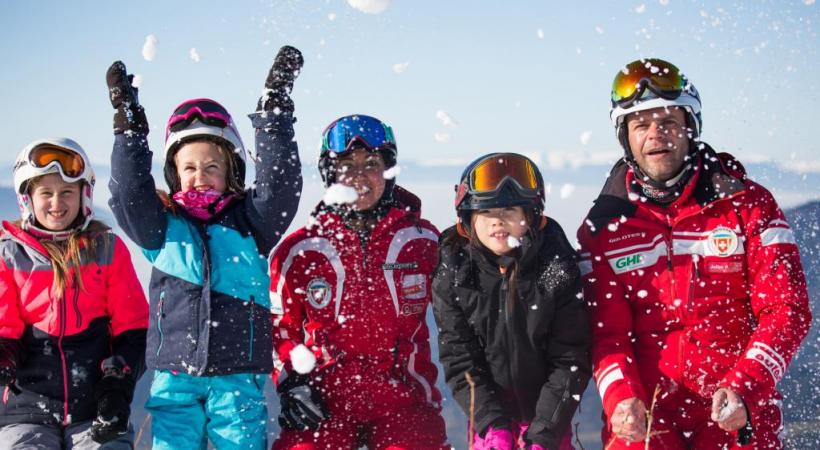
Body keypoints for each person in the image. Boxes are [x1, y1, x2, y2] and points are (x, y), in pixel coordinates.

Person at [577, 58, 812, 449]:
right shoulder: (604, 228)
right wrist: (621, 397)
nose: (656, 134)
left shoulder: (747, 205)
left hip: (736, 406)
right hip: (647, 413)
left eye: (668, 122)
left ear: (690, 128)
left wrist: (747, 385)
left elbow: (787, 310)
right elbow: (607, 334)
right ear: (625, 137)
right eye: (641, 125)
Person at [105, 46, 304, 450]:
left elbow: (280, 186)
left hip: (238, 376)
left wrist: (274, 113)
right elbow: (129, 195)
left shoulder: (251, 223)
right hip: (174, 378)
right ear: (174, 173)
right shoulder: (162, 227)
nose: (201, 176)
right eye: (189, 167)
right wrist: (129, 131)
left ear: (232, 172)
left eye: (212, 166)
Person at [268, 114, 449, 450]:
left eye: (372, 164)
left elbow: (465, 303)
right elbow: (278, 327)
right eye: (347, 165)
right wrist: (291, 382)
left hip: (404, 401)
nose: (360, 175)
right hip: (324, 402)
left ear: (388, 172)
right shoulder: (302, 250)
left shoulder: (421, 241)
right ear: (329, 174)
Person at [432, 153, 591, 450]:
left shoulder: (556, 268)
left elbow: (569, 359)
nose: (498, 220)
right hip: (488, 417)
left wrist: (543, 432)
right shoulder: (455, 274)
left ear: (530, 216)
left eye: (509, 209)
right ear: (468, 219)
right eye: (485, 211)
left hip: (548, 417)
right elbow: (460, 358)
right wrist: (491, 424)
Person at [0, 138, 148, 449]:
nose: (57, 202)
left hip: (93, 411)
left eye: (67, 192)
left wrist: (117, 385)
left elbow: (133, 327)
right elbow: (4, 326)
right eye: (46, 193)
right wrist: (4, 357)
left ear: (84, 195)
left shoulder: (107, 250)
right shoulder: (9, 256)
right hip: (26, 413)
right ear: (27, 199)